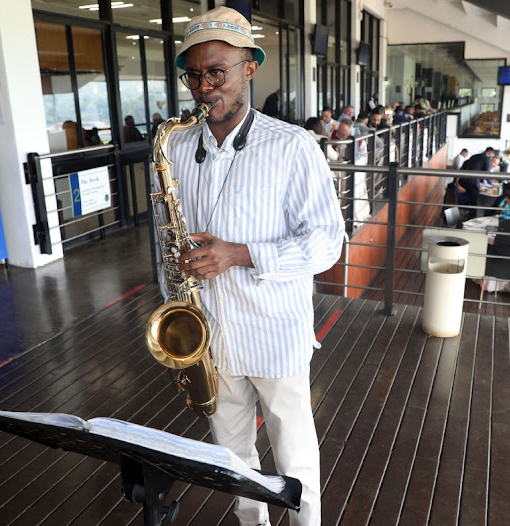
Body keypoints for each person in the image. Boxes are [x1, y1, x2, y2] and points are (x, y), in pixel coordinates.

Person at [169, 7, 344, 525]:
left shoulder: (293, 146)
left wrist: (237, 253)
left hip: (274, 333)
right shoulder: (176, 147)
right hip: (211, 336)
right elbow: (173, 237)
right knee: (231, 456)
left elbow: (327, 244)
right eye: (194, 75)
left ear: (249, 68)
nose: (204, 87)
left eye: (216, 72)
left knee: (294, 456)